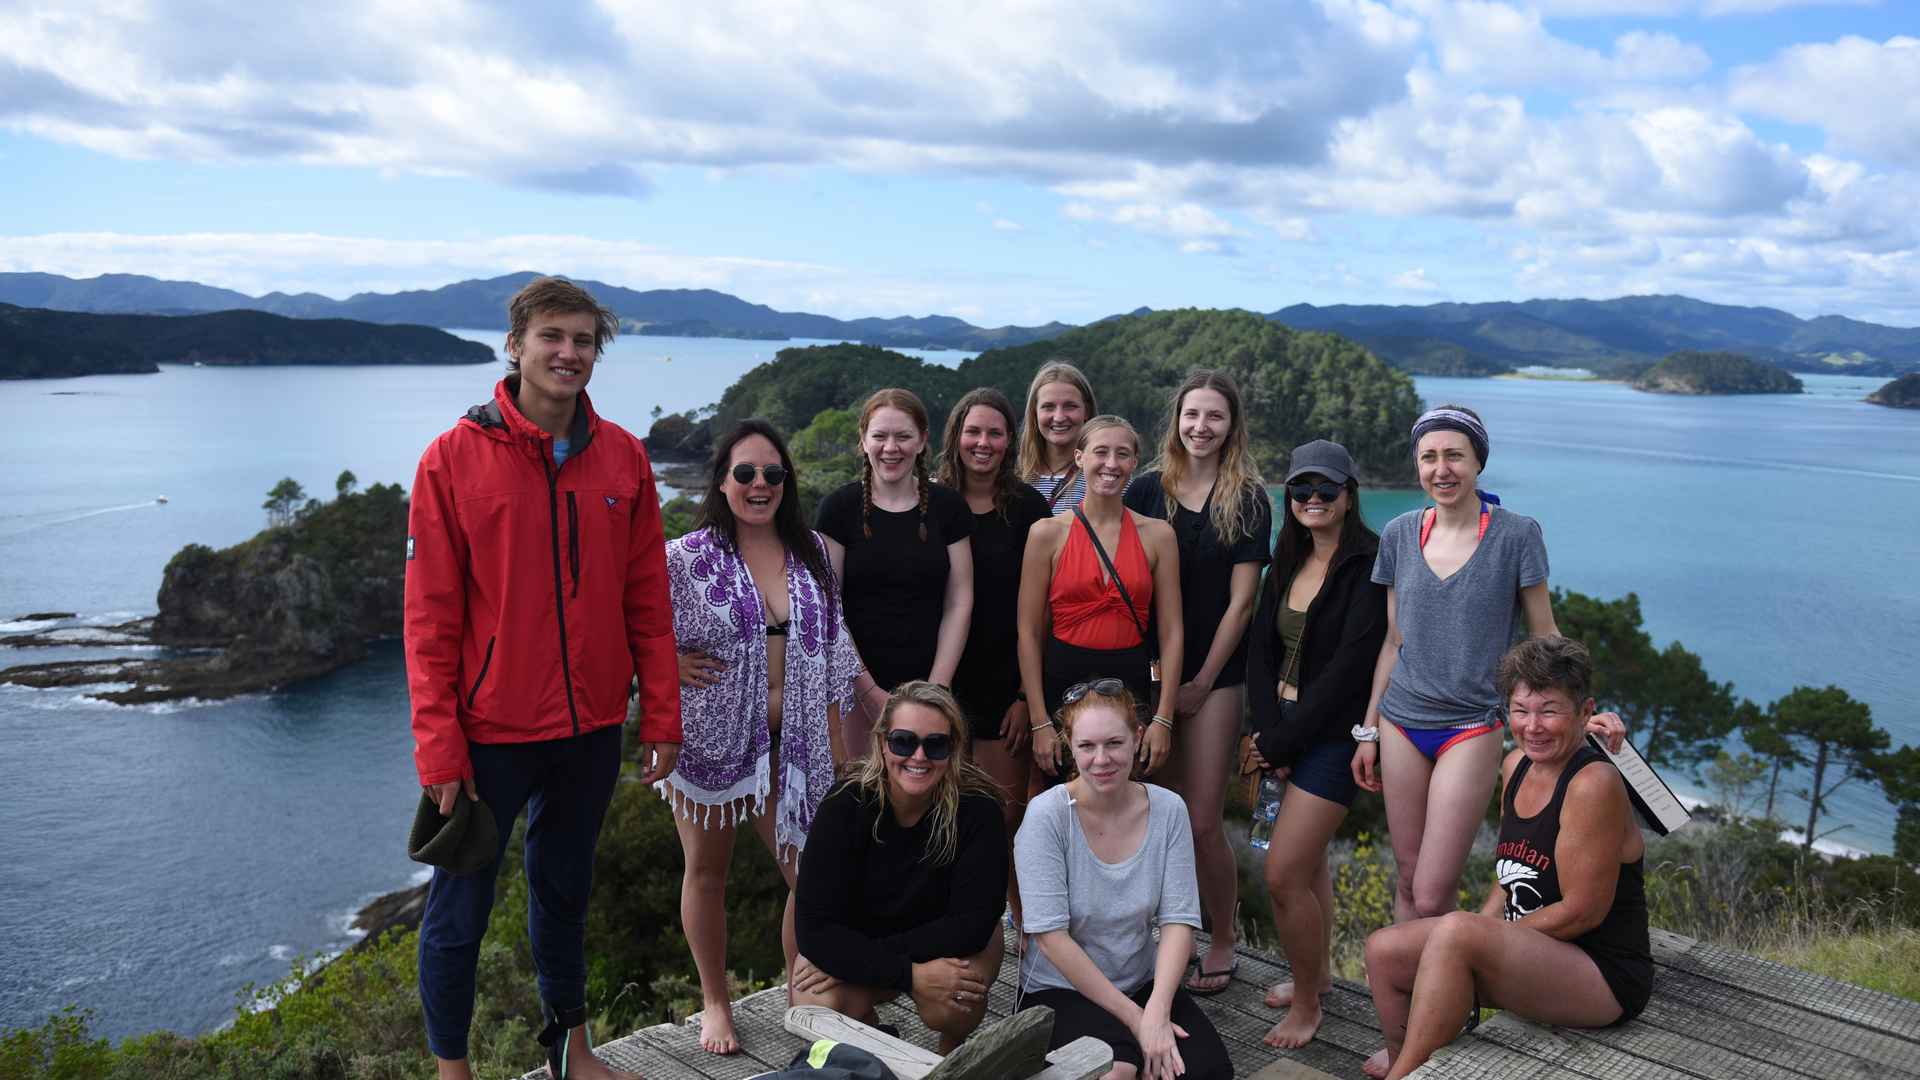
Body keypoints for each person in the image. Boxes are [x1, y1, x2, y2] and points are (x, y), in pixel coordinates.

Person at [404, 276, 679, 1080]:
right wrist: (438, 749)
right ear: (516, 345)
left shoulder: (624, 457)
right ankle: (452, 1072)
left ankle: (571, 1050)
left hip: (591, 726)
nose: (569, 353)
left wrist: (659, 714)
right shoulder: (453, 459)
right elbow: (428, 621)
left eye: (584, 340)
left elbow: (647, 600)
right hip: (489, 732)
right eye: (552, 336)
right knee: (458, 913)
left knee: (564, 896)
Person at [659, 418, 862, 1055]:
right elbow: (624, 628)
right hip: (713, 745)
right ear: (721, 481)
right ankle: (715, 1003)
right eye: (745, 473)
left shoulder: (814, 557)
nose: (759, 484)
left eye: (773, 474)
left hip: (796, 746)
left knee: (813, 878)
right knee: (708, 875)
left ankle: (806, 1000)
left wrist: (845, 751)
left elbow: (831, 656)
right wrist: (664, 667)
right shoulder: (686, 559)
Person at [1362, 636, 1650, 1080]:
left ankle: (1404, 1075)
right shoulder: (1516, 765)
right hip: (1534, 953)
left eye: (1549, 710)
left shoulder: (1593, 784)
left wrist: (1480, 937)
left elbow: (1583, 912)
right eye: (1521, 710)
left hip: (1602, 975)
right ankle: (1410, 1060)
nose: (1532, 725)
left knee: (1456, 933)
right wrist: (1481, 934)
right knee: (1384, 950)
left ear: (1585, 711)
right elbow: (1510, 874)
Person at [1122, 370, 1270, 997]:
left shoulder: (1248, 499)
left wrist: (1202, 681)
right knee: (1149, 813)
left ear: (1232, 425)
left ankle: (1224, 938)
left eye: (1214, 416)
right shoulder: (1145, 491)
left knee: (1203, 818)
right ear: (1175, 421)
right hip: (1144, 676)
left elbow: (1243, 605)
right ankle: (1156, 935)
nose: (1200, 427)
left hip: (1215, 677)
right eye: (1191, 415)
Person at [1241, 439, 1387, 1048]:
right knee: (1309, 864)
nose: (1313, 500)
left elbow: (1350, 673)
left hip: (1331, 739)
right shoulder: (1287, 559)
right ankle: (1319, 974)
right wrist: (1264, 728)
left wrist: (1280, 741)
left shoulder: (1371, 565)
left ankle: (1306, 1004)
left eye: (1327, 489)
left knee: (1282, 873)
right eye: (1302, 489)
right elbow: (1259, 650)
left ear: (1350, 495)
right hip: (1282, 729)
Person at [1014, 681, 1232, 1080]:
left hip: (1142, 981)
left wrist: (1158, 1010)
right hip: (1059, 989)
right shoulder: (1046, 816)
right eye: (1087, 747)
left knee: (1205, 1073)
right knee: (1117, 1073)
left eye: (1114, 743)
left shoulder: (1168, 810)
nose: (1102, 760)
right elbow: (1050, 937)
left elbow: (1178, 921)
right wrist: (1138, 1021)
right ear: (1069, 747)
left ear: (1138, 738)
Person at [792, 681, 1009, 1053]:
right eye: (904, 741)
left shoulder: (979, 810)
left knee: (957, 1000)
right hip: (877, 938)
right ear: (881, 743)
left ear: (954, 748)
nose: (919, 756)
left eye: (936, 744)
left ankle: (949, 1056)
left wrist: (877, 961)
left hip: (941, 943)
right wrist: (909, 973)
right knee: (820, 1009)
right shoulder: (846, 804)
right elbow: (814, 930)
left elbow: (972, 925)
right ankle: (871, 1038)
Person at [936, 387, 1051, 921]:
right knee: (946, 819)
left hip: (1008, 688)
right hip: (942, 686)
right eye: (973, 431)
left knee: (1004, 820)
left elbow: (1045, 611)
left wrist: (1028, 696)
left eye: (995, 433)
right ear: (956, 436)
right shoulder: (929, 504)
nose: (983, 443)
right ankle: (961, 929)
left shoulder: (1030, 509)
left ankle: (1026, 929)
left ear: (1011, 440)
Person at [1018, 415, 1182, 783]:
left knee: (1126, 797)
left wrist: (1163, 717)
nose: (1111, 464)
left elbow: (1171, 632)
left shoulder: (1159, 536)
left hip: (1130, 679)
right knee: (1063, 799)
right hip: (1062, 678)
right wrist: (1040, 720)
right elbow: (1028, 633)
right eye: (1101, 452)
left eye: (1122, 454)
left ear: (1134, 463)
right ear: (1079, 457)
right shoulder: (1046, 534)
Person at [815, 388, 975, 754]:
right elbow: (829, 610)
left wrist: (936, 689)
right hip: (853, 687)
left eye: (903, 436)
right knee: (862, 794)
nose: (891, 447)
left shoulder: (948, 508)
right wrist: (869, 690)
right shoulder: (838, 509)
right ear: (863, 440)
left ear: (921, 441)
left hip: (935, 681)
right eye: (880, 436)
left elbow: (960, 599)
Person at [1017, 360, 1100, 514]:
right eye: (1048, 407)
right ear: (1034, 414)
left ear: (1086, 411)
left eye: (1070, 406)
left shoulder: (1107, 476)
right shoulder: (1014, 475)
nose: (1059, 417)